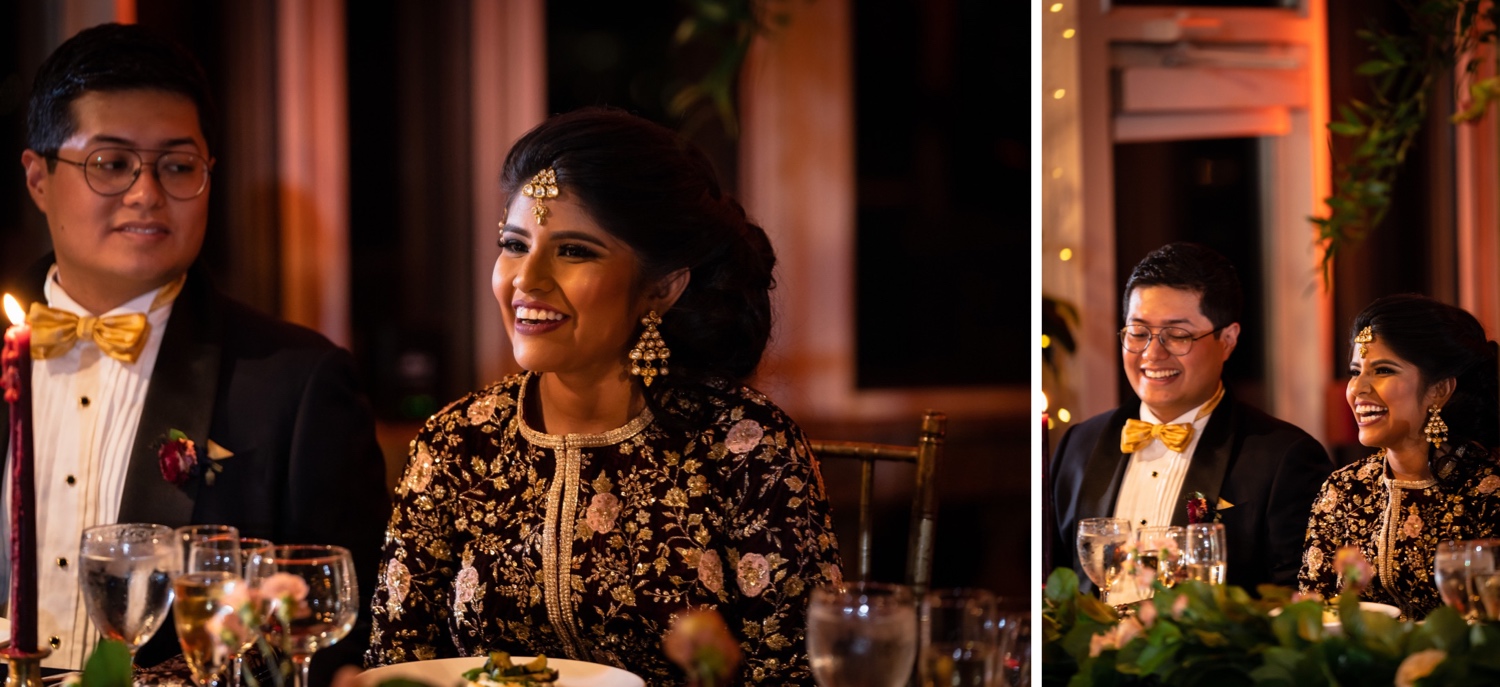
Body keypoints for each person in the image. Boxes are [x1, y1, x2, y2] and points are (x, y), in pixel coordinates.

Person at [364, 108, 842, 684]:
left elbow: (801, 672)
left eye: (574, 251)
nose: (527, 279)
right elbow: (396, 666)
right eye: (515, 244)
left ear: (661, 288)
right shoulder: (456, 443)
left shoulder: (744, 448)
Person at [3, 23, 390, 680]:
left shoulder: (295, 387)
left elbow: (338, 641)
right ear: (39, 178)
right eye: (112, 163)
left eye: (178, 166)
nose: (147, 193)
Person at [1049, 242, 1334, 593]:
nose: (1152, 354)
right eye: (1138, 333)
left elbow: (1299, 603)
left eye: (1178, 335)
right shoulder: (1079, 445)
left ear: (1227, 340)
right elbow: (1056, 589)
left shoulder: (1284, 459)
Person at [1299, 294, 1500, 619]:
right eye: (1355, 370)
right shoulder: (1343, 490)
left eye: (1382, 370)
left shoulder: (1487, 493)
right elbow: (1315, 615)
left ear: (1439, 390)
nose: (1358, 389)